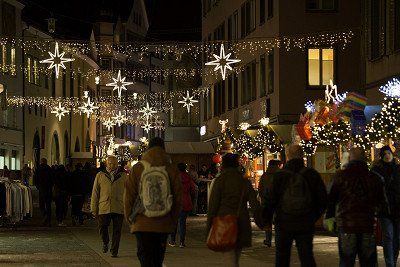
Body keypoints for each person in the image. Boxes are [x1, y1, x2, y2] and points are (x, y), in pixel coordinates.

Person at [263, 145, 327, 267]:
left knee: (282, 257)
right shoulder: (311, 174)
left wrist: (267, 220)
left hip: (283, 222)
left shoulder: (279, 175)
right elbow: (322, 199)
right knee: (306, 256)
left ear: (287, 156)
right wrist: (312, 216)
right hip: (305, 222)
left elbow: (269, 200)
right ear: (302, 156)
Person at [124, 137, 182, 267]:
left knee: (144, 259)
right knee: (157, 260)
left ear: (148, 149)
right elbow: (178, 198)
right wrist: (172, 220)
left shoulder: (138, 168)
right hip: (163, 222)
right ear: (164, 149)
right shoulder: (171, 168)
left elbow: (129, 196)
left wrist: (129, 218)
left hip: (141, 222)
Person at [326, 147, 387, 267]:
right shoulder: (374, 178)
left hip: (346, 226)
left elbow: (331, 200)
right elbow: (382, 203)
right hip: (367, 225)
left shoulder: (341, 176)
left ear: (350, 159)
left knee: (346, 261)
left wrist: (330, 217)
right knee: (368, 262)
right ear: (365, 158)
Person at [207, 153, 264, 267]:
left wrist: (210, 227)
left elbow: (213, 206)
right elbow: (255, 204)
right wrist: (261, 223)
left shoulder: (220, 181)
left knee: (230, 258)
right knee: (235, 256)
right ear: (237, 165)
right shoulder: (244, 182)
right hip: (241, 222)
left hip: (224, 223)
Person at [91, 156, 127, 258]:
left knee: (117, 231)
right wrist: (94, 208)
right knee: (102, 226)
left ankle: (114, 250)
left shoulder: (123, 176)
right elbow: (95, 192)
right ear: (106, 164)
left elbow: (128, 192)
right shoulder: (100, 175)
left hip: (119, 206)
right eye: (110, 163)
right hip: (104, 206)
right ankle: (105, 242)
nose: (113, 166)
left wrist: (128, 208)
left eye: (115, 164)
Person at [371, 145, 400, 267]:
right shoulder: (377, 171)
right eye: (385, 154)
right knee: (388, 236)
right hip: (384, 209)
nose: (387, 155)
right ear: (381, 156)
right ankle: (390, 263)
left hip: (398, 209)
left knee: (397, 239)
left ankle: (393, 259)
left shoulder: (398, 169)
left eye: (389, 153)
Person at [170, 163, 195, 248]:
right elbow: (193, 189)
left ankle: (172, 241)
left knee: (174, 222)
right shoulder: (188, 177)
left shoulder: (175, 177)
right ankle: (182, 242)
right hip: (186, 201)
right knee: (182, 223)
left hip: (176, 201)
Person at [258, 159, 281, 247]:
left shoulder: (265, 176)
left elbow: (260, 189)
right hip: (278, 203)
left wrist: (263, 199)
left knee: (268, 222)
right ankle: (279, 240)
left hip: (267, 202)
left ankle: (268, 240)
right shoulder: (280, 175)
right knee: (278, 221)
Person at [33, 158, 54, 227]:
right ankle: (49, 220)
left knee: (41, 204)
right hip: (49, 190)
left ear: (41, 162)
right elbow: (52, 179)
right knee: (48, 205)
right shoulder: (49, 169)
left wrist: (38, 187)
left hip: (42, 189)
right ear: (46, 162)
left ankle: (44, 215)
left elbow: (35, 179)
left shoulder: (38, 169)